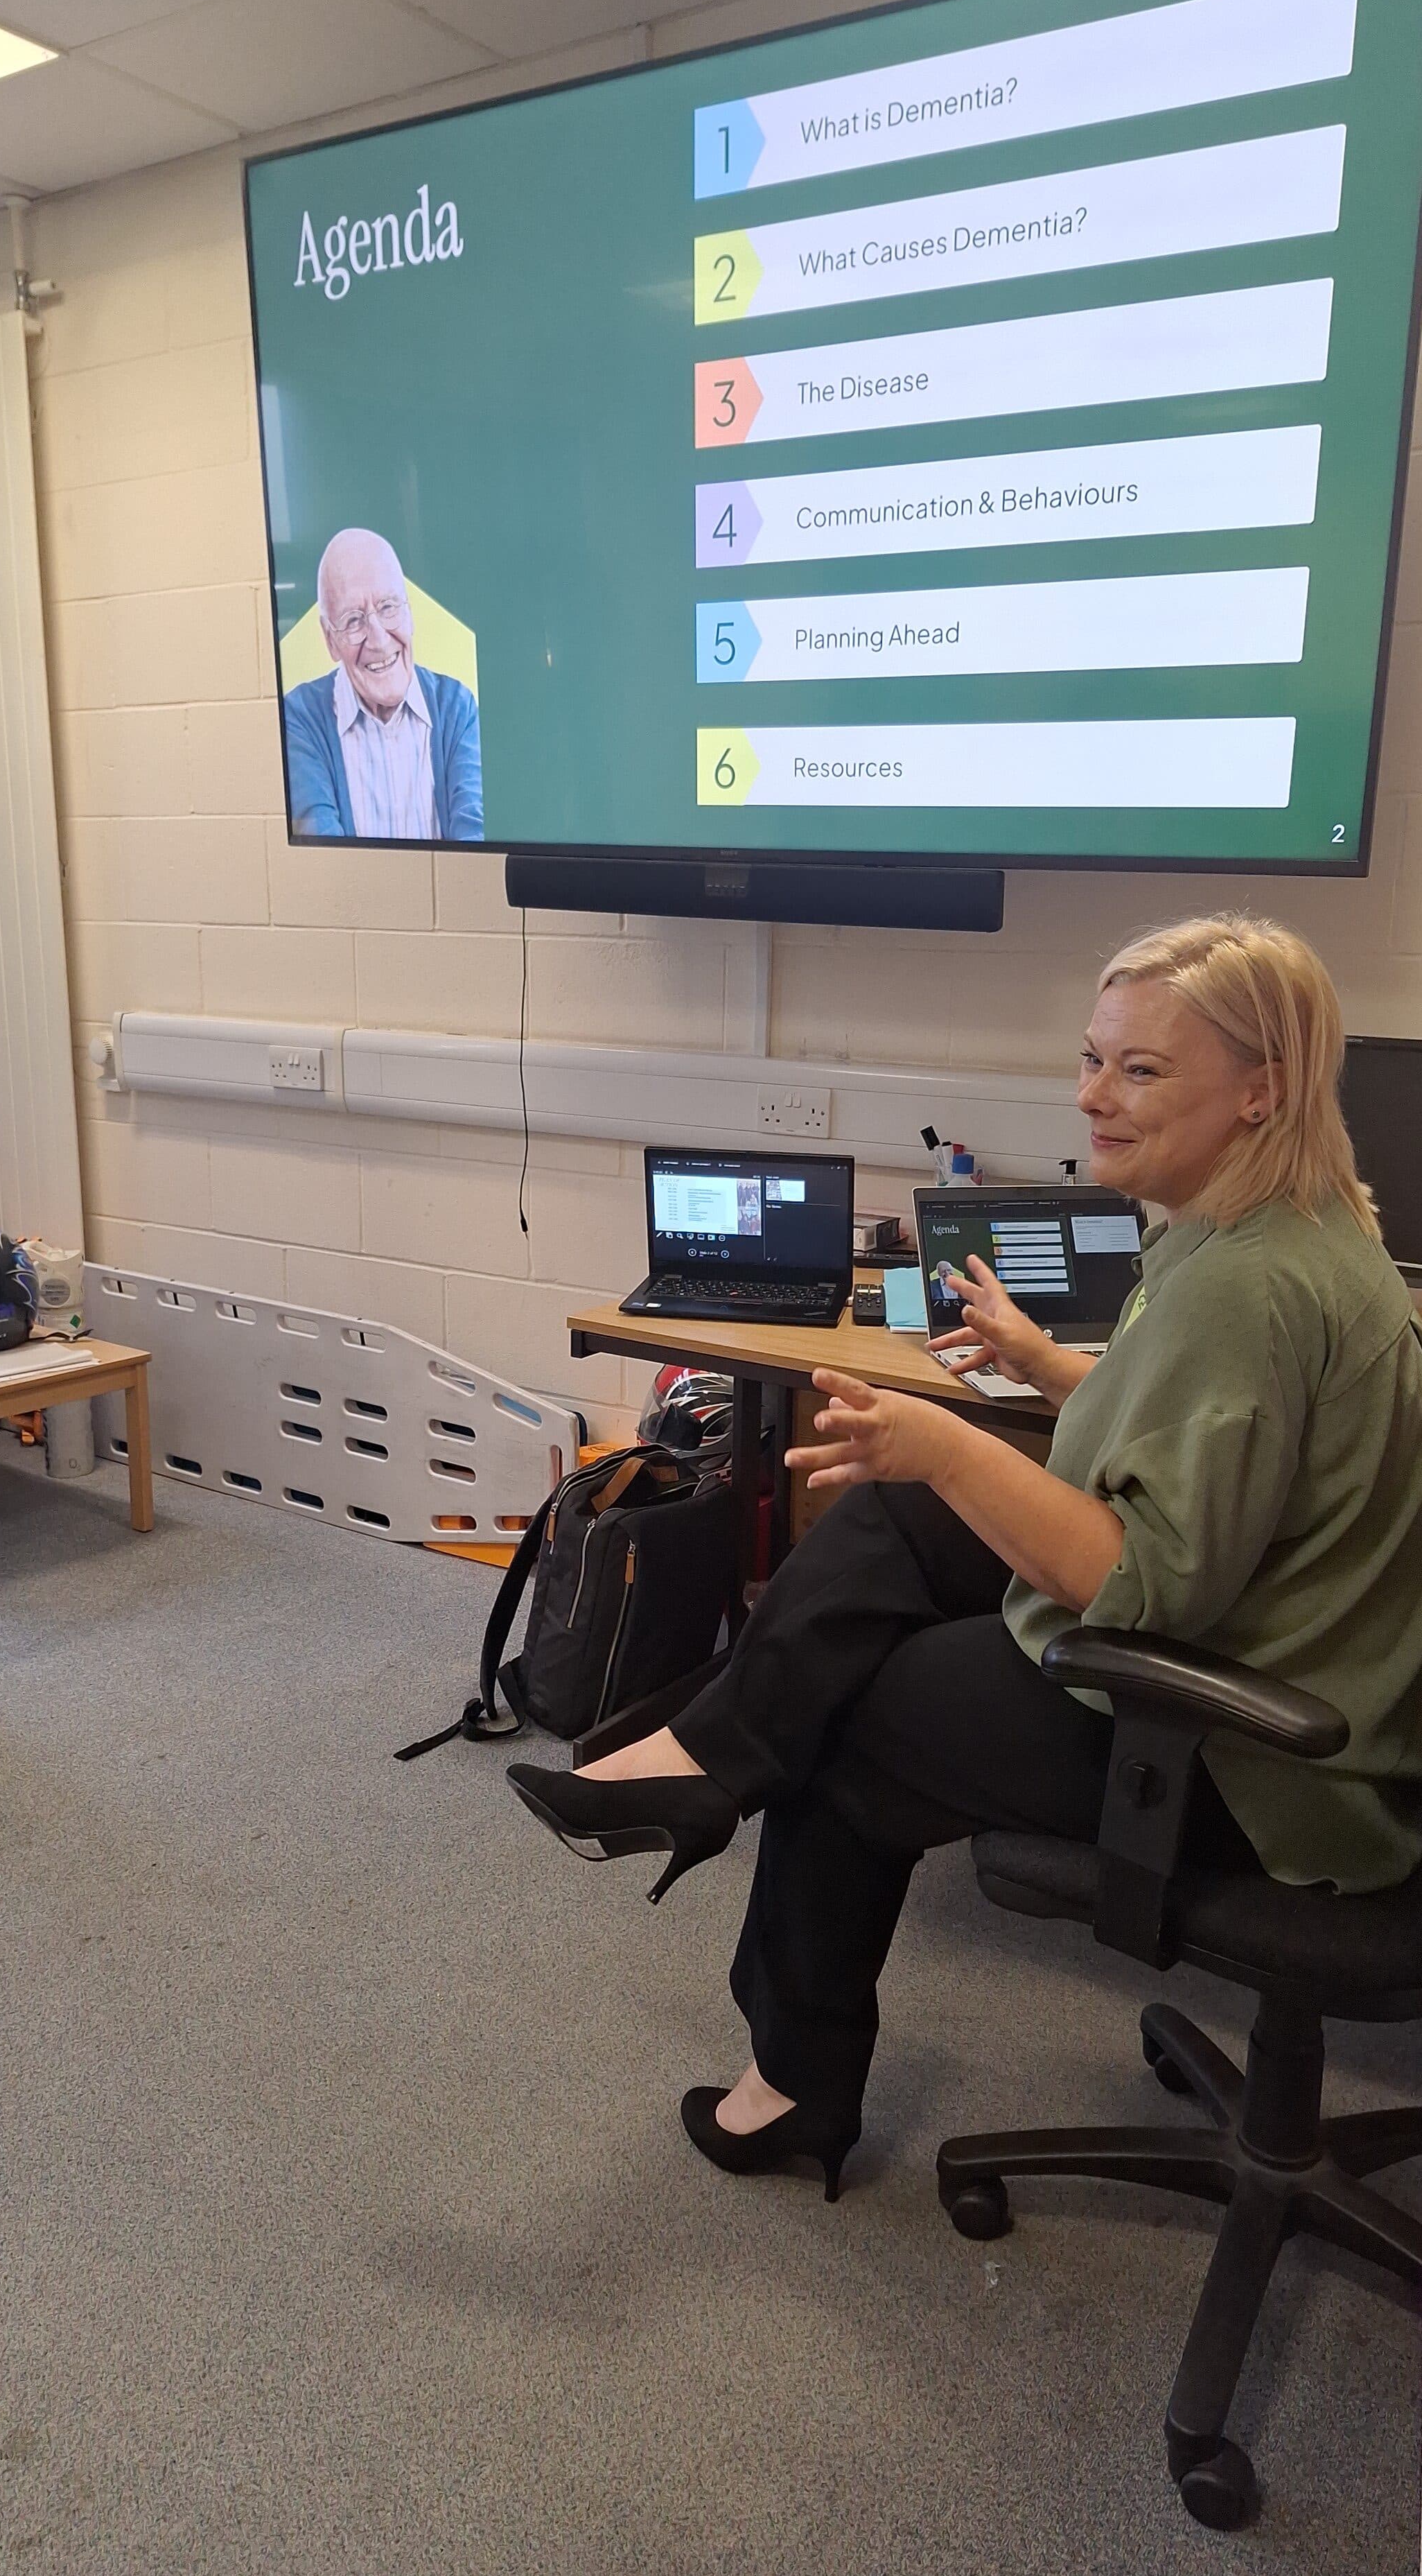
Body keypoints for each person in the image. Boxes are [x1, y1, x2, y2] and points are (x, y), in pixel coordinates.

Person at [508, 916, 1422, 2200]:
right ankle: (710, 1758)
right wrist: (1050, 1369)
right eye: (1094, 1058)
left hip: (1255, 1756)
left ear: (1260, 1087)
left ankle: (793, 2085)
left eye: (1142, 1072)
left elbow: (1134, 1582)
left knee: (856, 1707)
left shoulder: (1243, 1284)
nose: (1094, 1096)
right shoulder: (1282, 1222)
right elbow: (1222, 1439)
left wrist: (943, 1445)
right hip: (1286, 1646)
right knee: (887, 1523)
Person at [283, 528, 483, 842]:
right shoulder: (299, 718)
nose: (377, 640)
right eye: (353, 620)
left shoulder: (458, 708)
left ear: (410, 612)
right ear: (329, 640)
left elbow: (476, 843)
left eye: (389, 607)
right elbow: (322, 855)